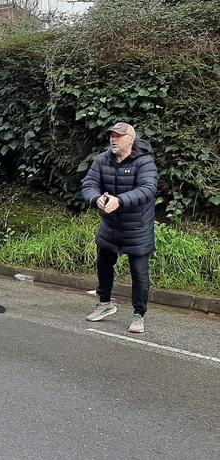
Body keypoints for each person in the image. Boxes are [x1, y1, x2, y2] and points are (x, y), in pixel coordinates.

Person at [82, 122, 158, 334]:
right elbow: (89, 184)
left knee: (139, 273)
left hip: (138, 227)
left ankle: (138, 314)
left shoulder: (145, 162)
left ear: (130, 140)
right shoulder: (101, 160)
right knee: (104, 265)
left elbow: (148, 188)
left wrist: (120, 200)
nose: (113, 140)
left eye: (118, 136)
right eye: (111, 136)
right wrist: (96, 199)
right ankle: (104, 303)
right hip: (110, 226)